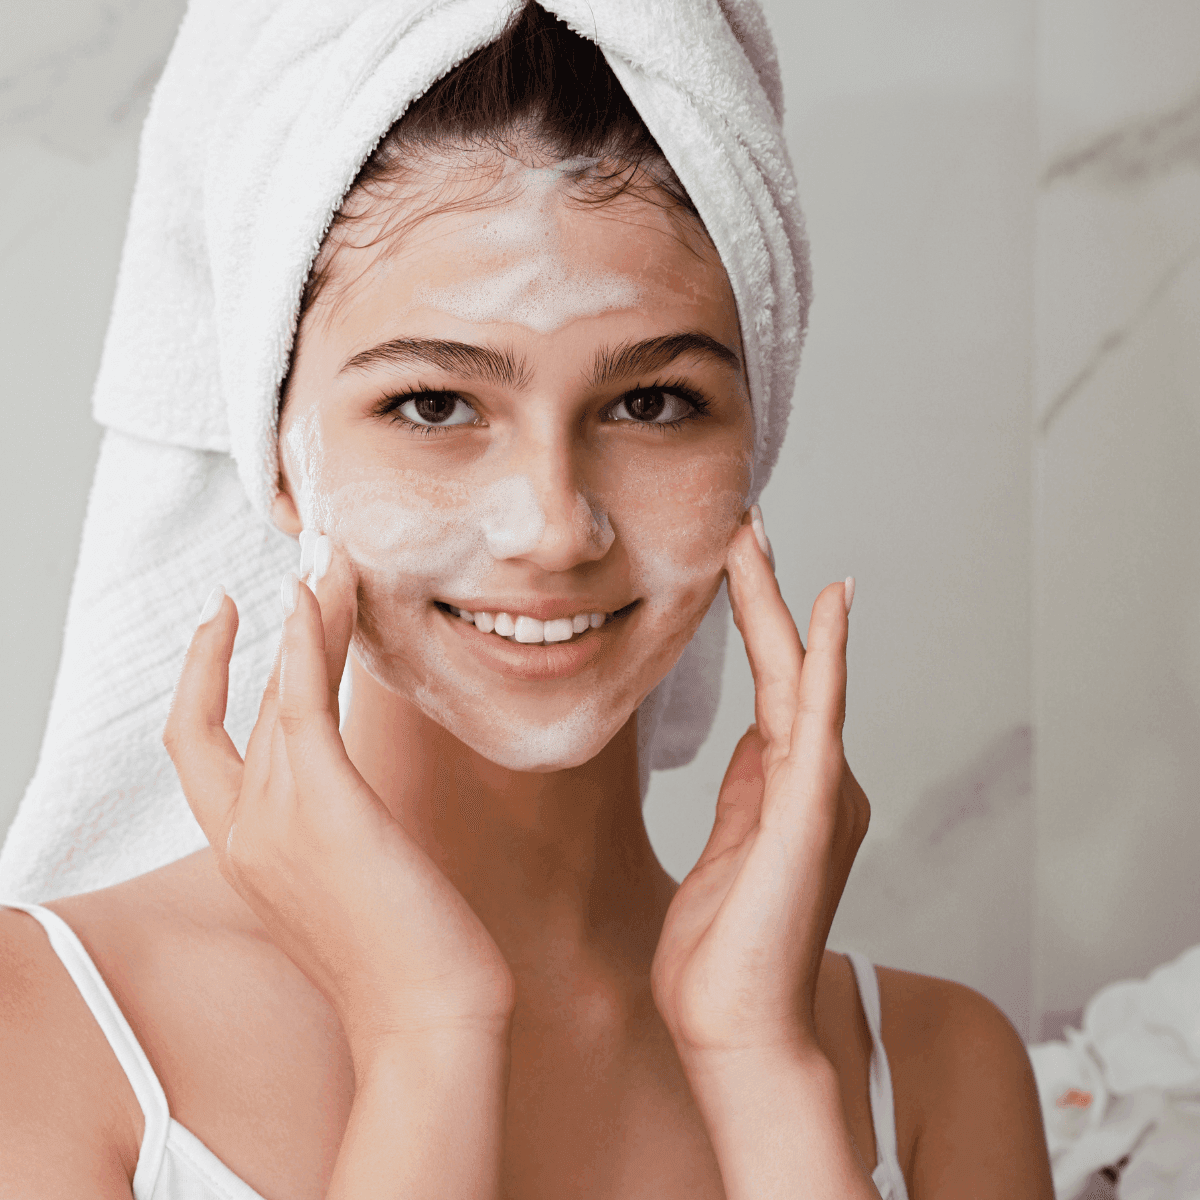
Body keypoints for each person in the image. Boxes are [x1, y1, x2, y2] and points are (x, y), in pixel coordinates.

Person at [0, 4, 1054, 1197]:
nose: (555, 527)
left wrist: (760, 1068)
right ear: (278, 454)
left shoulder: (935, 1072)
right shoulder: (42, 1034)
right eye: (434, 405)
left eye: (653, 402)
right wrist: (424, 1039)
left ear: (756, 438)